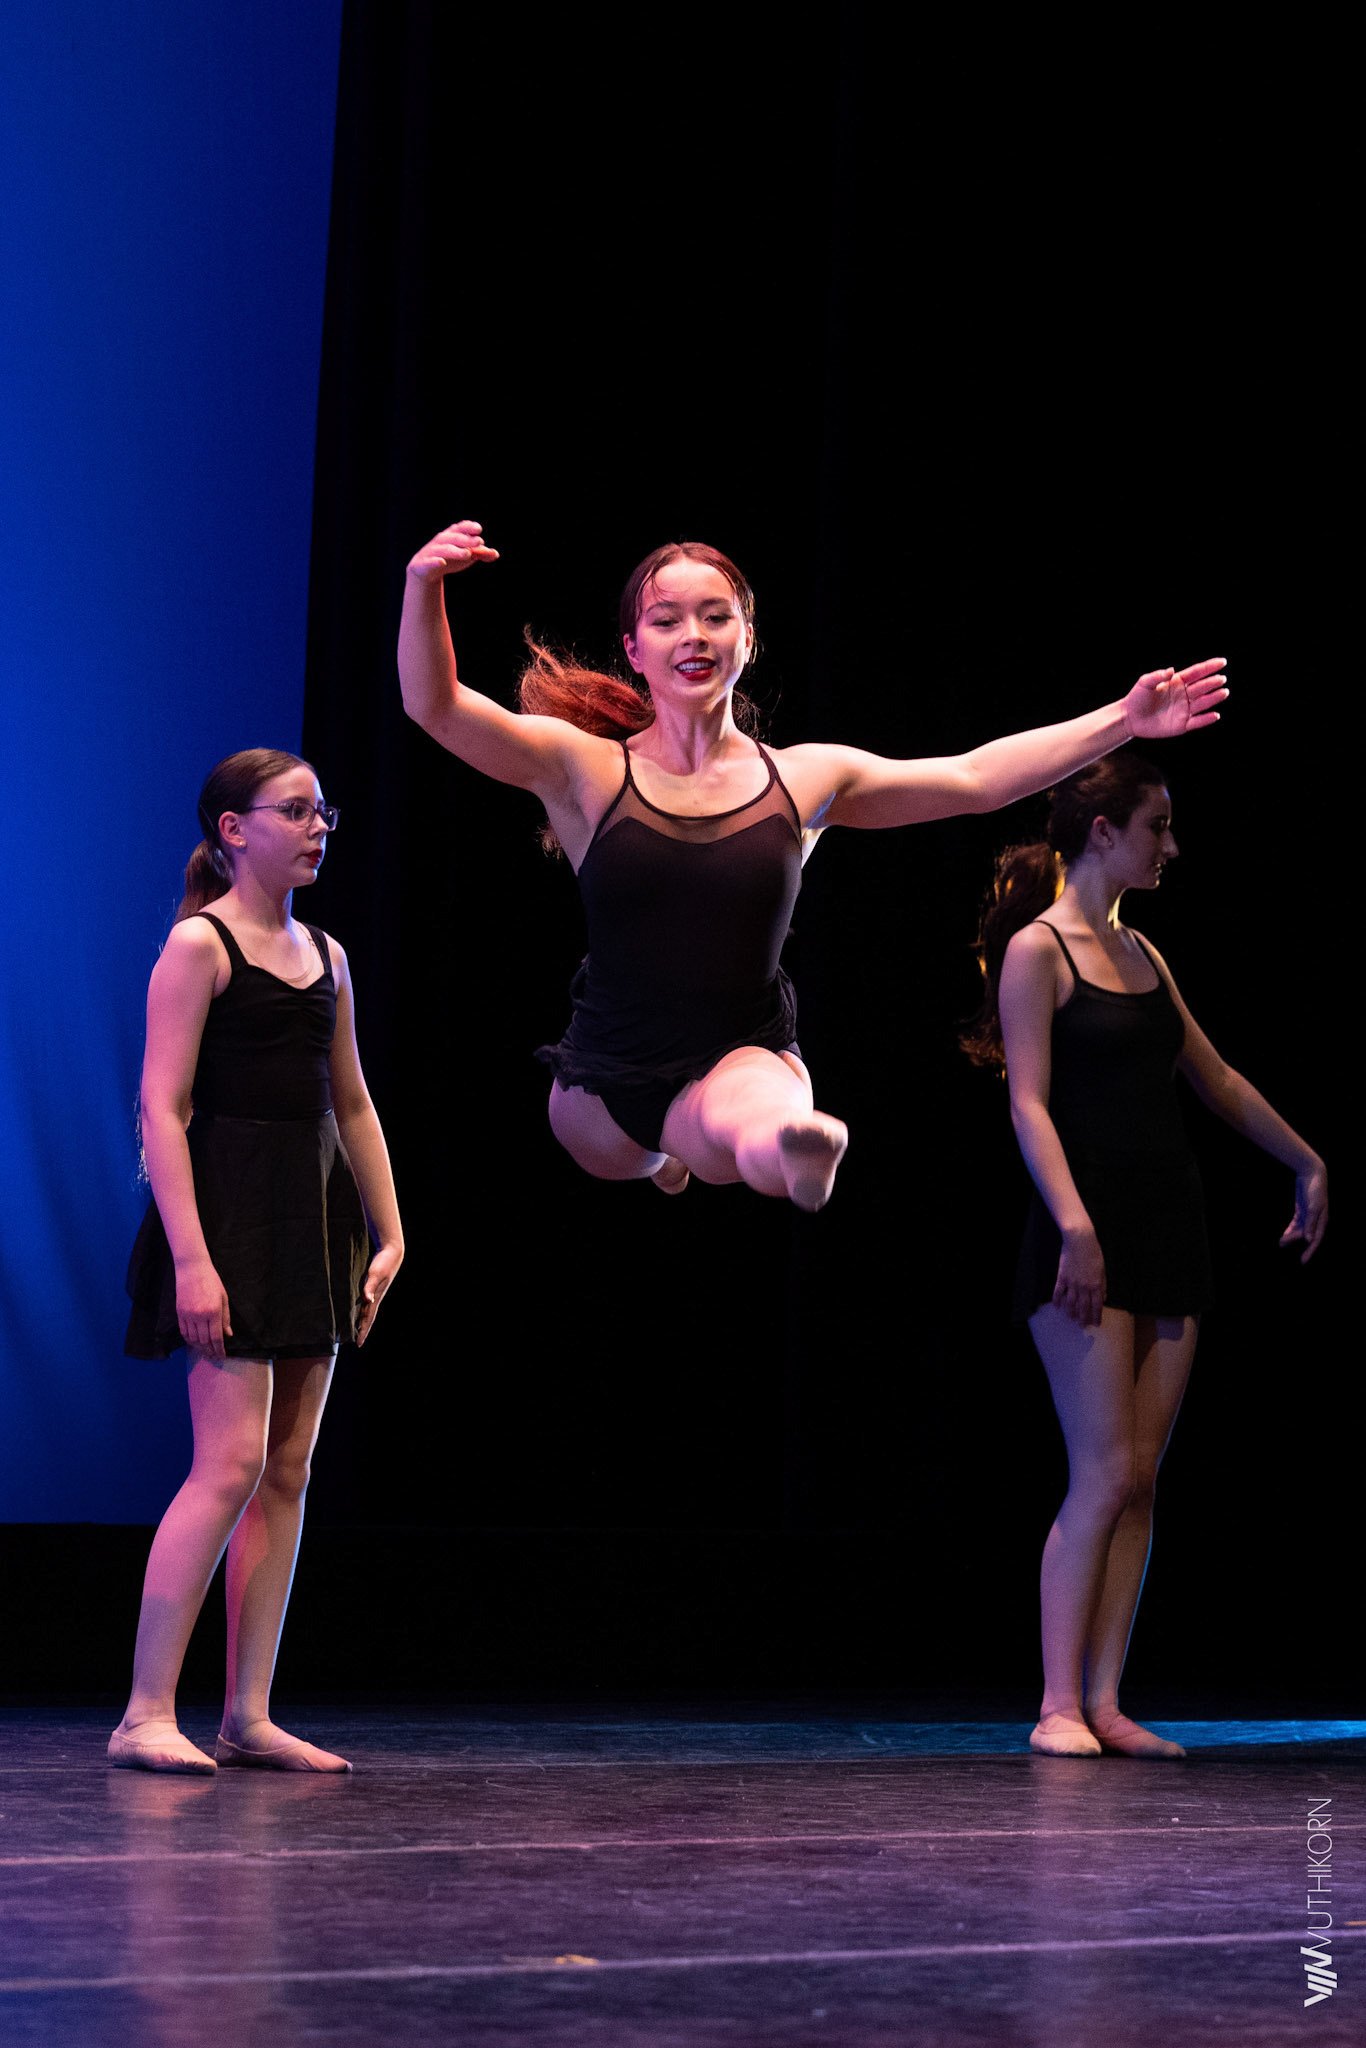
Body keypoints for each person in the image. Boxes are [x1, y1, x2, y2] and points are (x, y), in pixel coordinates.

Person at [399, 517, 1229, 1210]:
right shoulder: (584, 770)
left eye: (716, 617)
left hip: (739, 1053)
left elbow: (974, 779)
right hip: (603, 1083)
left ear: (747, 640)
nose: (694, 636)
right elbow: (436, 705)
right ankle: (678, 1155)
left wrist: (1123, 719)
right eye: (668, 621)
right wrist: (422, 584)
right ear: (635, 650)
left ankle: (786, 1145)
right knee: (651, 1145)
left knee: (756, 1109)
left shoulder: (803, 780)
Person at [962, 753, 1327, 1758]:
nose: (1170, 844)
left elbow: (1217, 1078)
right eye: (1156, 826)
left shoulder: (1144, 953)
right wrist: (1074, 1225)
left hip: (1169, 1225)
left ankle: (1107, 1700)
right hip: (1084, 1229)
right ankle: (1056, 1705)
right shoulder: (1040, 950)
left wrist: (1307, 1160)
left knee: (1141, 1478)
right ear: (1103, 831)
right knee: (1102, 1470)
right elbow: (1027, 1102)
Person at [111, 750, 403, 1774]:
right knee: (229, 1463)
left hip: (311, 1218)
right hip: (231, 1218)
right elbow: (163, 1108)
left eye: (324, 811)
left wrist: (390, 1230)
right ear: (234, 829)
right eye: (296, 810)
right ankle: (146, 1711)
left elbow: (351, 1102)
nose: (318, 826)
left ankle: (248, 1713)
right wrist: (193, 1260)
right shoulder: (201, 943)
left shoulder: (327, 953)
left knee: (287, 1468)